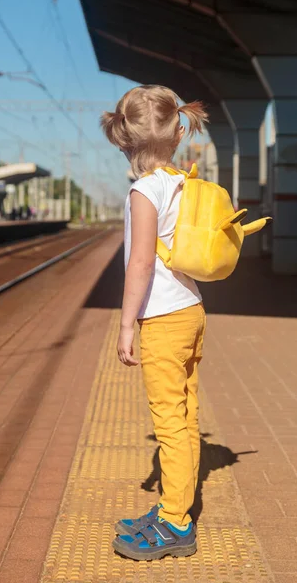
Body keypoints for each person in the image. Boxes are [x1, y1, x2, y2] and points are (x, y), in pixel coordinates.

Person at [101, 85, 208, 561]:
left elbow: (139, 264)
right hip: (191, 310)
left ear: (125, 142)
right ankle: (174, 507)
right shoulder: (182, 182)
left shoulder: (144, 191)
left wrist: (127, 325)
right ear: (177, 133)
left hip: (163, 318)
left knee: (169, 423)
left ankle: (175, 523)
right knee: (186, 417)